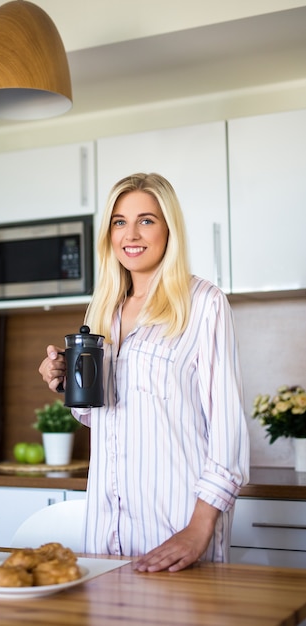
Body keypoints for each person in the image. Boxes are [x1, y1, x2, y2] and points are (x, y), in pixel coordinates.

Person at [39, 172, 250, 573]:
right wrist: (67, 381)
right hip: (107, 532)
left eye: (146, 220)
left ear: (169, 228)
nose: (130, 234)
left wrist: (198, 529)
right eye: (119, 221)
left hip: (176, 530)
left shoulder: (204, 303)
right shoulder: (104, 309)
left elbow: (228, 432)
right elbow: (103, 415)